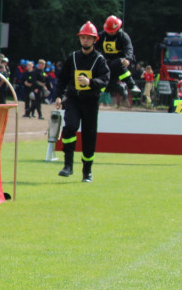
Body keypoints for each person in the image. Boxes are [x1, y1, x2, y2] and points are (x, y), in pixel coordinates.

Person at [55, 21, 111, 183]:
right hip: (73, 99)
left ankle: (87, 172)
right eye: (83, 38)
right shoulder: (72, 57)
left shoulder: (100, 60)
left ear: (95, 40)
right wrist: (59, 95)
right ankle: (68, 165)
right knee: (70, 127)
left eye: (88, 38)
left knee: (89, 136)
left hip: (91, 102)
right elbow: (62, 79)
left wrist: (90, 82)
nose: (85, 41)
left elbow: (105, 80)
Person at [100, 15, 138, 108]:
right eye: (109, 31)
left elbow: (129, 49)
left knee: (116, 63)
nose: (110, 33)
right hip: (107, 64)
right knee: (106, 87)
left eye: (112, 31)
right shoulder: (102, 35)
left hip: (121, 62)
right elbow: (93, 45)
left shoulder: (123, 37)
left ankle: (131, 85)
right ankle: (119, 88)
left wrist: (128, 59)